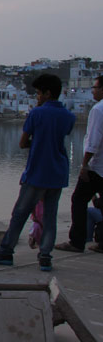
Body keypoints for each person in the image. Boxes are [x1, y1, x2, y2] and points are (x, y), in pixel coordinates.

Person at [0, 74, 75, 271]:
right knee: (50, 216)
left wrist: (37, 143)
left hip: (37, 172)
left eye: (39, 93)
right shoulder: (69, 117)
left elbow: (23, 143)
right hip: (58, 173)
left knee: (19, 214)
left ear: (48, 93)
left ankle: (6, 251)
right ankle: (45, 256)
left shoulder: (37, 114)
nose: (37, 98)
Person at [56, 75, 103, 253]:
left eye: (95, 87)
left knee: (78, 200)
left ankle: (77, 241)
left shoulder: (98, 110)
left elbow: (94, 141)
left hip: (96, 166)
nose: (93, 90)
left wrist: (84, 164)